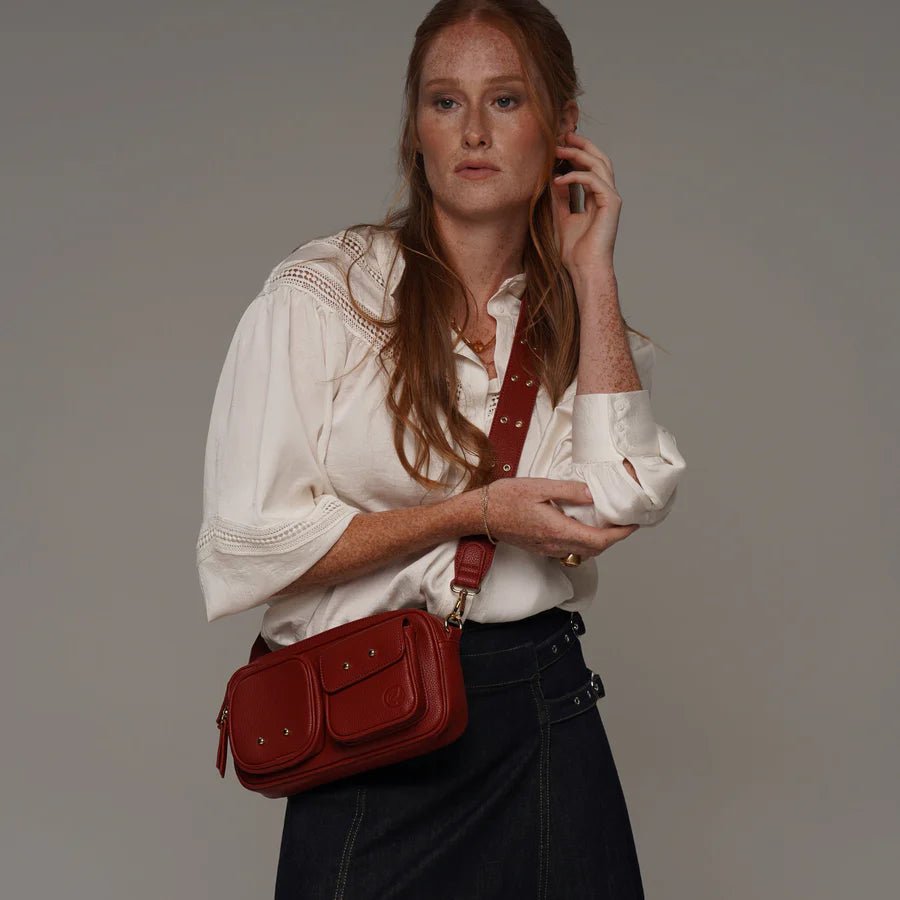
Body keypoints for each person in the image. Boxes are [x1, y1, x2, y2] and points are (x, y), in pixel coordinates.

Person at [196, 1, 686, 897]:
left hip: (541, 708)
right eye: (443, 102)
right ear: (414, 128)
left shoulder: (580, 321)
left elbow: (620, 498)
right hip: (373, 714)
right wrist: (470, 514)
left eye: (505, 101)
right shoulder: (324, 297)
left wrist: (594, 270)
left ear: (562, 127)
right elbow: (245, 544)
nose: (472, 131)